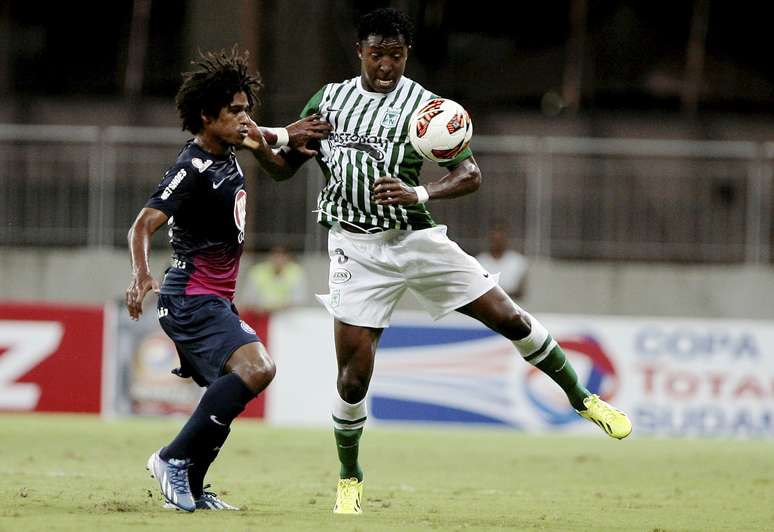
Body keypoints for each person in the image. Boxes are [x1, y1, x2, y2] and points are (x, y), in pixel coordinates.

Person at [245, 8, 632, 516]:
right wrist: (254, 142)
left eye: (396, 55)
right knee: (353, 380)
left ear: (407, 55)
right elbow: (282, 170)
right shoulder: (329, 101)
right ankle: (350, 477)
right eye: (378, 54)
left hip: (416, 239)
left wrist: (419, 192)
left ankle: (583, 400)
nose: (387, 65)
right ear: (360, 51)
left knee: (510, 318)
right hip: (355, 248)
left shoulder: (426, 108)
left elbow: (470, 174)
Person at [125, 47, 331, 512]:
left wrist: (294, 146)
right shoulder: (192, 167)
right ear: (206, 115)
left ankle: (194, 486)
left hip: (213, 300)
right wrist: (141, 275)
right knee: (258, 368)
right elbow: (142, 225)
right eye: (234, 111)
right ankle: (172, 458)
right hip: (189, 297)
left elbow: (275, 161)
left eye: (246, 109)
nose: (244, 118)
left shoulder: (234, 145)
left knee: (238, 385)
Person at [243, 245, 308, 312]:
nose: (279, 259)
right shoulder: (257, 272)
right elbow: (249, 300)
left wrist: (278, 308)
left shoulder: (296, 272)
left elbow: (299, 301)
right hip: (261, 313)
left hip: (287, 314)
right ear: (269, 256)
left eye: (282, 255)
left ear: (288, 257)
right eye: (276, 255)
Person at [476, 220, 528, 300]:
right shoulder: (479, 261)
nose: (498, 241)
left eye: (501, 237)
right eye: (494, 238)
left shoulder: (518, 261)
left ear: (507, 238)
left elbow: (520, 292)